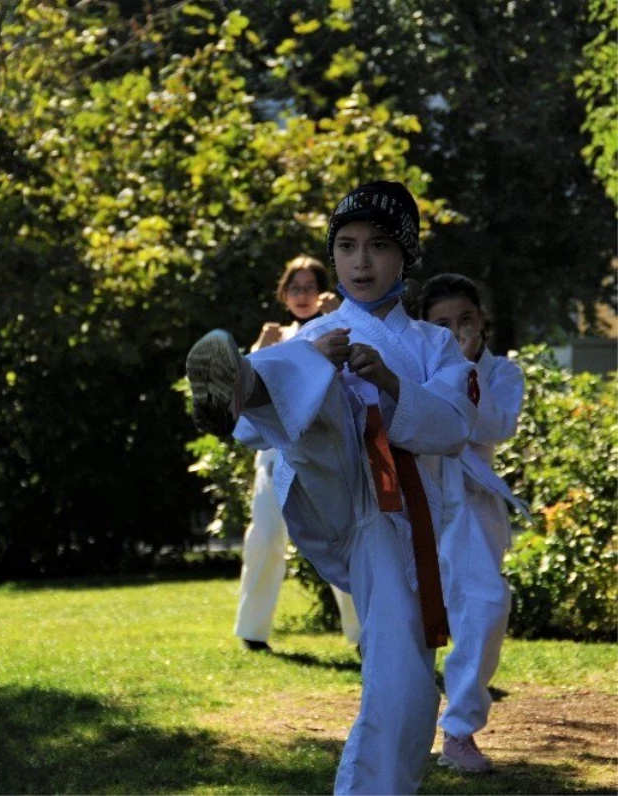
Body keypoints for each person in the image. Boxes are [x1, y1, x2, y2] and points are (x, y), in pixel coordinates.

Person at [186, 181, 477, 795]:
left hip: (398, 521)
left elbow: (452, 427)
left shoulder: (432, 344)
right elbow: (253, 438)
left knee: (402, 684)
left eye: (377, 246)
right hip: (335, 496)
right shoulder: (318, 329)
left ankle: (254, 388)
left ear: (406, 257)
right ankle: (245, 385)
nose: (361, 261)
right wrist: (319, 358)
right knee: (314, 367)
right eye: (346, 247)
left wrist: (395, 384)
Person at [419, 273, 525, 774]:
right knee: (409, 615)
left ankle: (459, 730)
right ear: (427, 329)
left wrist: (462, 372)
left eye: (466, 319)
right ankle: (403, 722)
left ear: (482, 320)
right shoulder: (416, 365)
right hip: (418, 491)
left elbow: (494, 426)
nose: (458, 330)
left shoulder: (503, 373)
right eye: (443, 323)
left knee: (484, 605)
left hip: (473, 500)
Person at [235, 255, 360, 652]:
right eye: (295, 288)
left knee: (345, 540)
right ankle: (253, 633)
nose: (303, 295)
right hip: (275, 456)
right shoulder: (275, 338)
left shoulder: (340, 326)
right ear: (284, 294)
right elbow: (244, 398)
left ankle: (364, 633)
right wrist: (258, 347)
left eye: (310, 287)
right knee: (267, 538)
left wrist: (342, 316)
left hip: (325, 455)